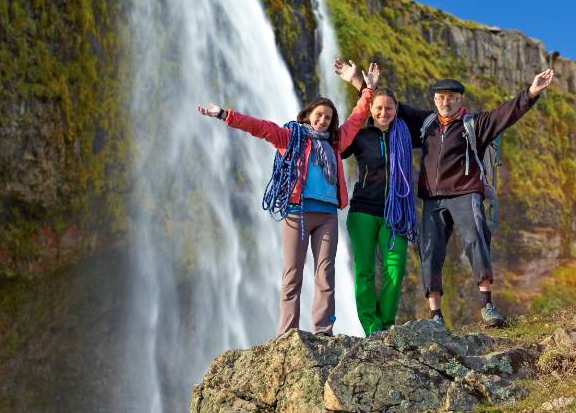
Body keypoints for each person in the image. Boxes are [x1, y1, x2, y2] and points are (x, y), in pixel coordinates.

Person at [337, 61, 555, 328]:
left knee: (475, 238)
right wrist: (360, 85)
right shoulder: (425, 123)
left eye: (451, 98)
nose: (446, 102)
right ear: (434, 100)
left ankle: (487, 305)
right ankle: (435, 315)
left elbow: (506, 114)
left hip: (464, 192)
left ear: (460, 99)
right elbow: (387, 106)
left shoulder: (474, 124)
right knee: (429, 251)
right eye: (441, 98)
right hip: (430, 197)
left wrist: (531, 92)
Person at [197, 64, 377, 336]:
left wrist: (367, 90)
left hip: (327, 215)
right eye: (319, 116)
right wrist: (224, 114)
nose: (323, 121)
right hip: (298, 213)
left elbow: (357, 117)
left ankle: (323, 330)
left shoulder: (336, 142)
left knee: (325, 274)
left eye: (328, 118)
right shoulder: (290, 137)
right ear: (307, 116)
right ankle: (287, 332)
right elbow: (259, 127)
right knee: (292, 274)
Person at [339, 78, 420, 335]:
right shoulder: (360, 137)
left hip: (395, 213)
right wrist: (362, 88)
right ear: (371, 111)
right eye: (379, 108)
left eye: (389, 108)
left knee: (394, 269)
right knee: (364, 271)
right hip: (362, 211)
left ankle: (385, 324)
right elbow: (337, 147)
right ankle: (371, 326)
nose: (384, 113)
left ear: (396, 110)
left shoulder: (406, 137)